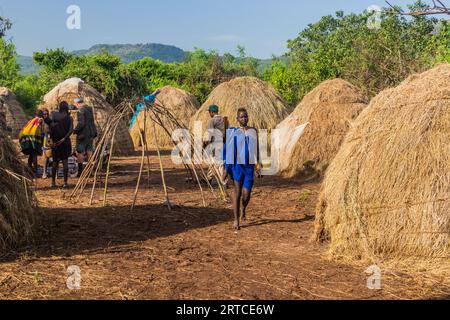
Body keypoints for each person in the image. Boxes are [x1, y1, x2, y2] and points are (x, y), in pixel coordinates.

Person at [223, 108, 262, 231]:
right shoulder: (232, 132)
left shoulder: (253, 131)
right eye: (241, 117)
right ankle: (236, 220)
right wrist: (226, 169)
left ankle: (243, 208)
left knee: (246, 195)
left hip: (249, 166)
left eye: (245, 116)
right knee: (237, 192)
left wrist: (258, 164)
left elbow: (256, 148)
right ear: (237, 119)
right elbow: (228, 150)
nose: (244, 119)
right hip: (237, 167)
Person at [45, 101, 73, 188]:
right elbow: (71, 130)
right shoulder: (70, 118)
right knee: (65, 162)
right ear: (67, 108)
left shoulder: (54, 115)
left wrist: (50, 139)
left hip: (55, 143)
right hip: (65, 142)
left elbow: (49, 128)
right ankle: (65, 183)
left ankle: (53, 182)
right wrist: (63, 139)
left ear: (60, 107)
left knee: (55, 162)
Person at [72, 97, 97, 177]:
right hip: (90, 133)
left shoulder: (80, 110)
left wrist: (75, 130)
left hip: (82, 135)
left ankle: (80, 172)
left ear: (77, 103)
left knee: (80, 152)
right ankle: (90, 171)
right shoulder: (89, 109)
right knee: (89, 151)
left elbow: (81, 123)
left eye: (75, 104)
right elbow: (92, 121)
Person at [203, 104, 226, 184]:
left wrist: (206, 144)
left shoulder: (212, 121)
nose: (209, 113)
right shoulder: (222, 120)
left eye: (209, 112)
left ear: (212, 112)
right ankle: (209, 178)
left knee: (217, 163)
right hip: (221, 143)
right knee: (215, 162)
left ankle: (222, 181)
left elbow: (210, 133)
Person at [19, 110, 45, 175]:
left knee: (31, 154)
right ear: (41, 115)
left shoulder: (31, 120)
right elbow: (41, 130)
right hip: (33, 138)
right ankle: (35, 171)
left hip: (25, 137)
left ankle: (29, 170)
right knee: (34, 154)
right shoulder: (40, 119)